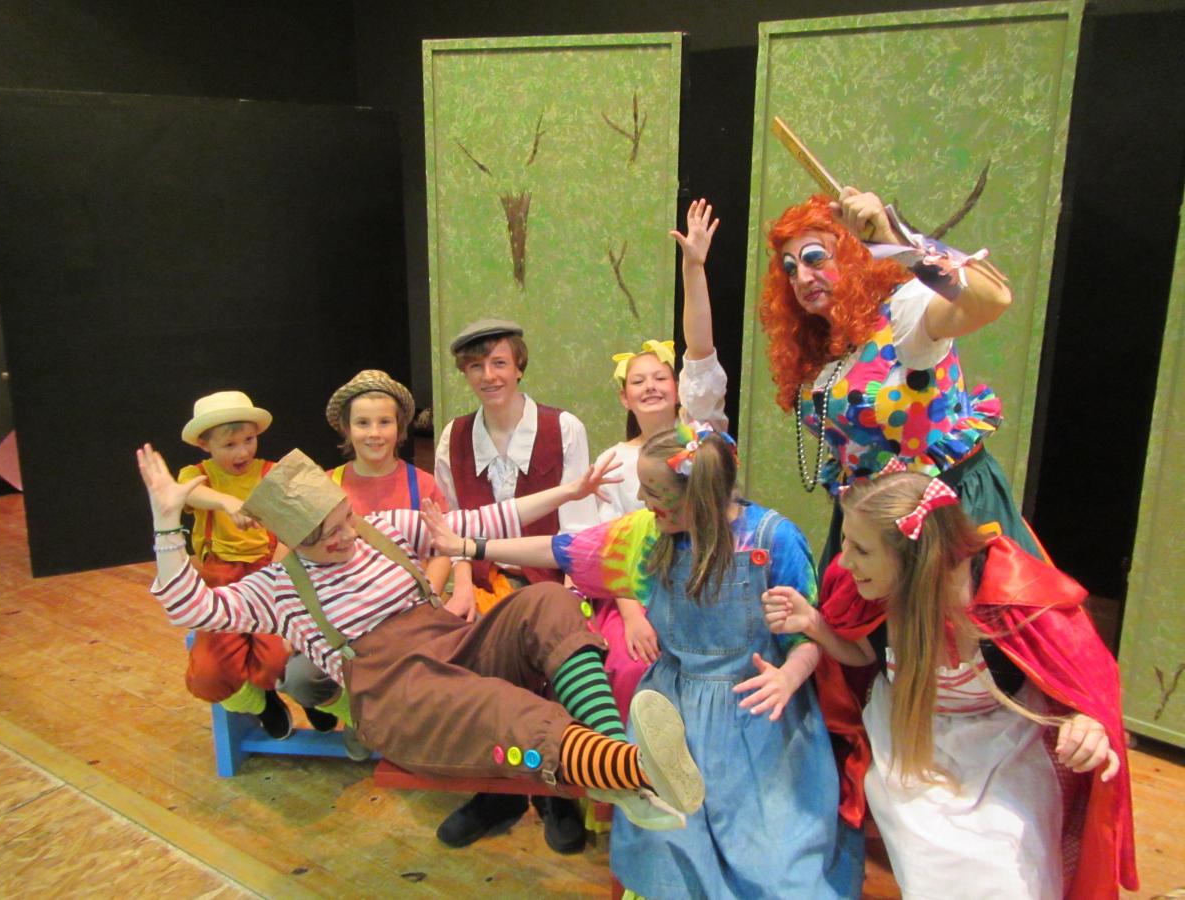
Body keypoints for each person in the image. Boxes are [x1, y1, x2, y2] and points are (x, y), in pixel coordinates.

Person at [137, 443, 704, 835]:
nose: (345, 538)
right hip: (398, 695)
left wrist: (568, 490)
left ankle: (613, 763)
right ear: (294, 540)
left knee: (547, 602)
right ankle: (633, 770)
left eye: (344, 520)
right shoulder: (278, 588)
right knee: (498, 706)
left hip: (453, 646)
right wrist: (167, 523)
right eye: (325, 537)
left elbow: (485, 521)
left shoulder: (381, 530)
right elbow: (190, 607)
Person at [421, 425, 862, 898]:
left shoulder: (774, 540)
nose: (639, 497)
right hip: (672, 719)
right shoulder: (648, 535)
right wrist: (468, 547)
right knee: (672, 852)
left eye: (652, 490)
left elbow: (807, 635)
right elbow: (560, 550)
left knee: (772, 859)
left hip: (760, 722)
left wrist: (789, 677)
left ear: (698, 497)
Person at [763, 471, 1137, 899]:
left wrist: (1086, 721)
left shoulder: (1016, 601)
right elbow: (864, 654)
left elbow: (1086, 683)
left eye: (861, 549)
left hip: (1005, 742)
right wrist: (814, 623)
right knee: (930, 857)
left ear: (915, 559)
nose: (843, 562)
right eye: (845, 542)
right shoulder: (871, 595)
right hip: (910, 733)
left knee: (1010, 862)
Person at [760, 188, 1044, 569]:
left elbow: (993, 299)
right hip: (870, 525)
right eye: (791, 269)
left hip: (944, 517)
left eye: (814, 258)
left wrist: (897, 241)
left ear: (853, 253)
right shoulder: (820, 347)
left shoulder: (905, 313)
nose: (802, 277)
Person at [433, 318, 600, 851]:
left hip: (549, 575)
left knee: (557, 660)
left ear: (519, 365)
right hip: (484, 578)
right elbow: (452, 524)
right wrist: (461, 585)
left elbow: (579, 525)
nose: (489, 375)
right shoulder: (454, 436)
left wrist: (573, 594)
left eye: (499, 362)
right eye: (476, 366)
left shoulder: (563, 428)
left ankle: (555, 790)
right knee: (475, 670)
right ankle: (496, 790)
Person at [592, 198, 729, 722]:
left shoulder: (700, 434)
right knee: (631, 667)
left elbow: (701, 349)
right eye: (637, 381)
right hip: (637, 593)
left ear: (678, 388)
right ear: (624, 398)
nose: (650, 386)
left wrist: (694, 269)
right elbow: (609, 550)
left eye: (660, 377)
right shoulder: (612, 462)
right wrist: (631, 616)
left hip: (705, 579)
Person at [279, 369, 452, 759]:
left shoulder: (422, 485)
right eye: (362, 423)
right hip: (338, 620)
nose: (374, 433)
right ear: (346, 428)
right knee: (301, 678)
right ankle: (359, 717)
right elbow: (287, 557)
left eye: (384, 422)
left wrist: (430, 600)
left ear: (400, 428)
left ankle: (406, 728)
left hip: (404, 617)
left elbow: (443, 549)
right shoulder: (324, 484)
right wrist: (294, 621)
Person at [174, 390, 323, 739]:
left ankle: (310, 697)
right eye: (229, 445)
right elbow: (183, 493)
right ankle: (262, 703)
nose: (242, 452)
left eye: (249, 440)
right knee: (209, 672)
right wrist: (226, 502)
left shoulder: (270, 472)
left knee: (278, 657)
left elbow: (310, 503)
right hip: (222, 582)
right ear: (204, 444)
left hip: (271, 574)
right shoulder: (197, 475)